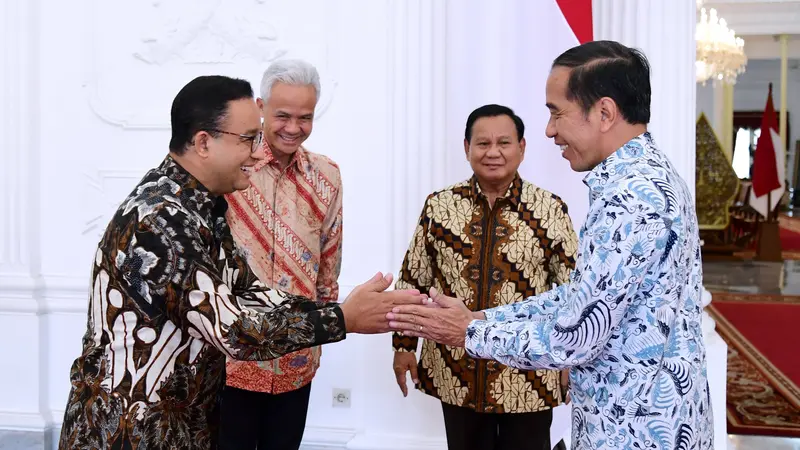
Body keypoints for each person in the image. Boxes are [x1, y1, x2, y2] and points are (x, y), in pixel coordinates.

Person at [57, 75, 425, 450]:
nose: (256, 152)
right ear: (203, 142)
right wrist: (343, 319)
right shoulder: (161, 221)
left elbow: (247, 289)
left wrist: (345, 309)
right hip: (129, 433)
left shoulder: (203, 206)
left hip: (184, 426)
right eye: (248, 138)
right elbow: (233, 331)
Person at [388, 40, 713, 450]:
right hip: (644, 416)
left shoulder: (630, 196)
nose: (549, 130)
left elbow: (577, 335)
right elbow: (578, 298)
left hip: (635, 428)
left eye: (557, 112)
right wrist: (482, 319)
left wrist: (469, 332)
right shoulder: (648, 176)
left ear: (605, 112)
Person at [392, 104, 578, 450]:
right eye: (482, 143)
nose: (493, 152)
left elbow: (572, 291)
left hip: (530, 372)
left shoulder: (551, 209)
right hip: (456, 368)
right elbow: (413, 280)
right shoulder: (440, 206)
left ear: (522, 148)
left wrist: (571, 360)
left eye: (504, 143)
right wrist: (403, 346)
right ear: (467, 148)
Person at [220, 59, 342, 449]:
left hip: (296, 349)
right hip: (230, 353)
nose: (294, 128)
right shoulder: (232, 166)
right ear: (261, 108)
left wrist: (323, 330)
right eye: (283, 115)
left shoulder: (327, 175)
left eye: (304, 117)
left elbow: (329, 261)